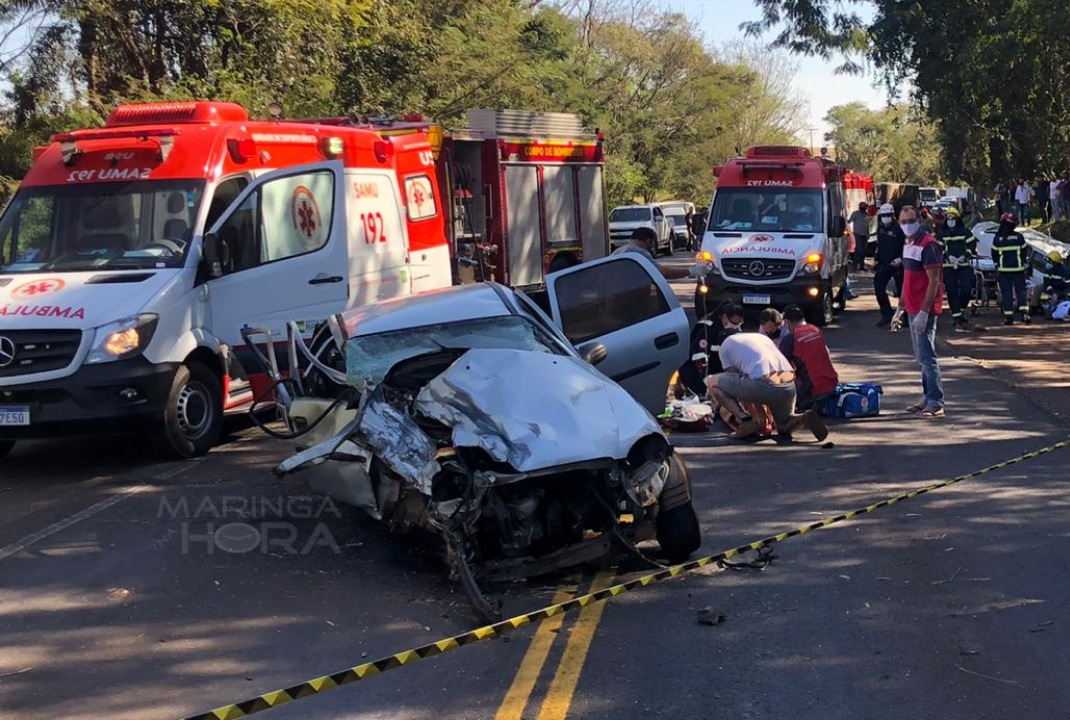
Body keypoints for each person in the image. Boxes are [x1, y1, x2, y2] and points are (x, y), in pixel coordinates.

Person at [705, 332, 829, 441]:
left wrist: (751, 417)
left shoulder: (725, 345)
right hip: (788, 385)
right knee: (784, 425)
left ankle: (745, 421)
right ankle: (802, 418)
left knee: (713, 382)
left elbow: (737, 381)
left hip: (762, 385)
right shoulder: (760, 337)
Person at [895, 204, 945, 418]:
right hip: (912, 307)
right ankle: (927, 398)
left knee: (927, 356)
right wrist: (900, 308)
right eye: (903, 221)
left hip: (924, 309)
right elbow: (908, 280)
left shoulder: (929, 245)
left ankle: (936, 402)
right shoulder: (908, 244)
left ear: (920, 221)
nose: (907, 225)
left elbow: (934, 281)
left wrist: (925, 312)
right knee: (921, 357)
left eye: (911, 221)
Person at [777, 304, 838, 411]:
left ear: (787, 322)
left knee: (780, 380)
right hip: (831, 384)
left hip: (812, 390)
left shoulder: (790, 339)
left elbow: (781, 367)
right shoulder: (816, 330)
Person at [677, 302, 743, 397]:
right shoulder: (707, 329)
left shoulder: (728, 329)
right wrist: (706, 382)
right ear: (725, 317)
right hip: (698, 372)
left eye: (739, 323)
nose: (736, 326)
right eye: (734, 323)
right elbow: (699, 358)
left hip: (719, 369)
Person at [936, 206, 977, 331]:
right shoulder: (942, 233)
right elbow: (939, 248)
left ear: (957, 219)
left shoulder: (965, 232)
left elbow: (972, 245)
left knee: (966, 288)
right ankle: (957, 317)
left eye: (953, 218)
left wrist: (965, 256)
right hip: (949, 267)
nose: (950, 220)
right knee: (952, 291)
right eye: (948, 218)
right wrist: (947, 256)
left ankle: (961, 309)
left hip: (963, 265)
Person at [612, 226, 697, 280]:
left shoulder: (618, 252)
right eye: (653, 244)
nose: (652, 247)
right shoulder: (639, 253)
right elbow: (661, 272)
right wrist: (690, 271)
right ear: (649, 241)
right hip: (631, 296)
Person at [991, 211, 1030, 325]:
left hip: (1004, 271)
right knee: (1021, 292)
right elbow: (1024, 252)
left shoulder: (997, 239)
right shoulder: (1019, 237)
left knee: (1007, 293)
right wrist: (1023, 264)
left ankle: (1009, 317)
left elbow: (994, 255)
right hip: (1018, 270)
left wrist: (997, 266)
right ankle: (1024, 314)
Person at [873, 203, 905, 327]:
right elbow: (879, 246)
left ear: (892, 216)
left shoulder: (899, 229)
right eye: (883, 215)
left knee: (902, 290)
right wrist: (876, 260)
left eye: (888, 215)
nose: (885, 218)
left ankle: (906, 316)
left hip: (898, 263)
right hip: (884, 263)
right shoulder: (880, 229)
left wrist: (901, 258)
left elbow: (906, 245)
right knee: (878, 287)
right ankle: (886, 314)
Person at [847, 202, 872, 271]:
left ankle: (861, 266)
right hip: (857, 234)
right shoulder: (855, 213)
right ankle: (855, 265)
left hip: (865, 235)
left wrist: (868, 234)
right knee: (859, 249)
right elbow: (849, 221)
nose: (863, 209)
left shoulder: (867, 215)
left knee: (863, 251)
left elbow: (867, 225)